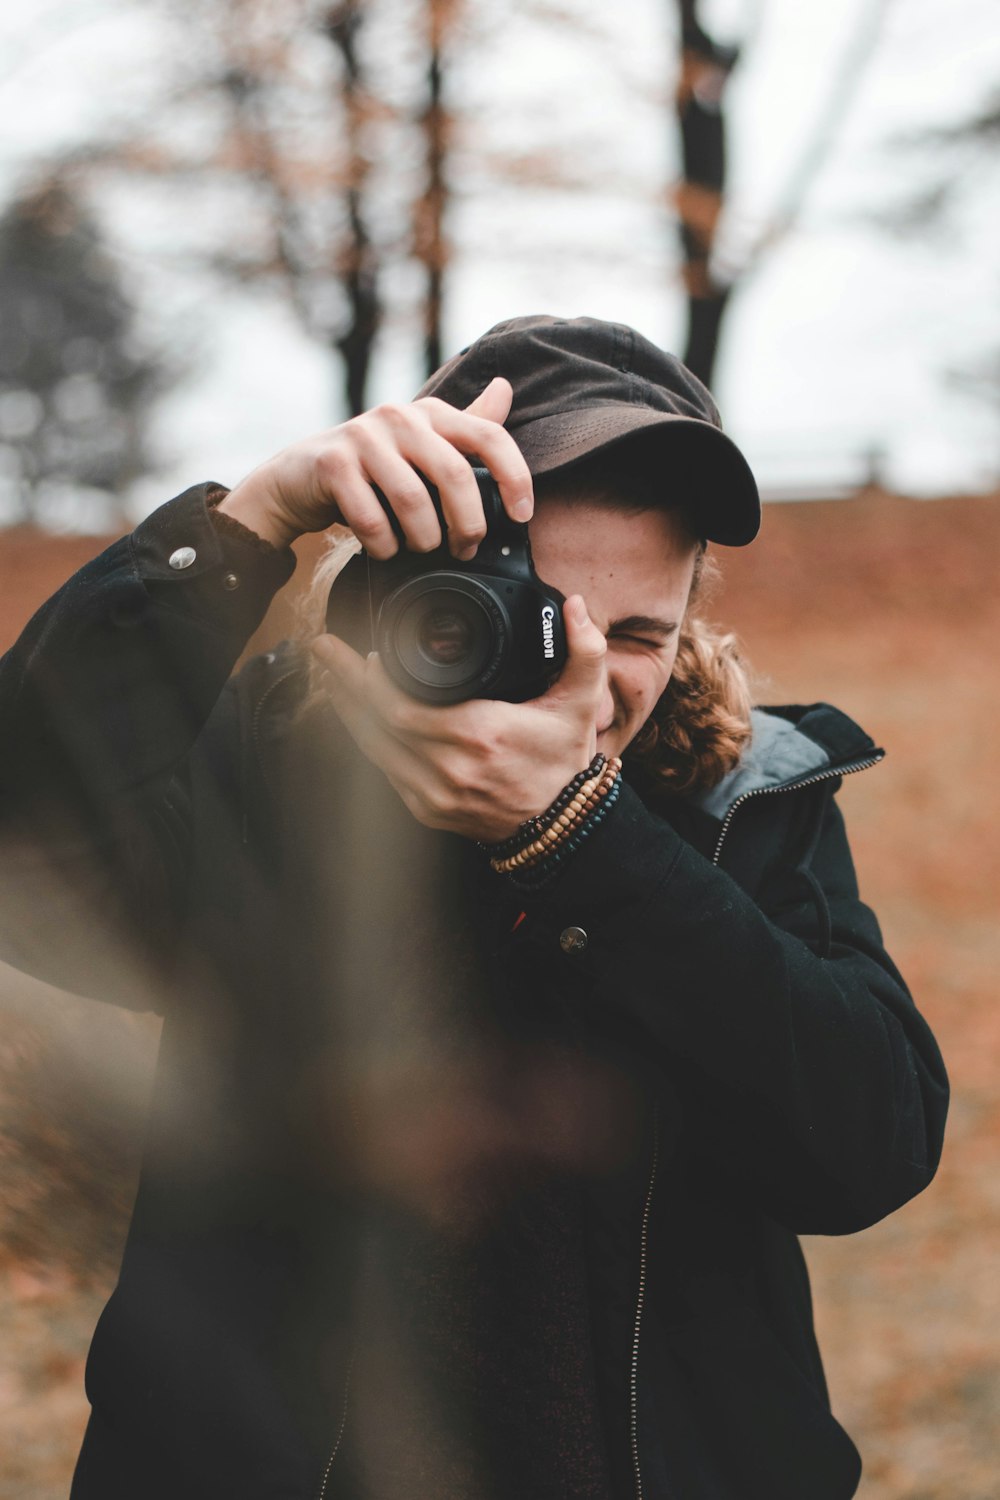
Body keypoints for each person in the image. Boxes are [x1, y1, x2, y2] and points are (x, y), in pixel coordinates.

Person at [0, 315, 947, 1500]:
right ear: (413, 593)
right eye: (540, 619)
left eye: (641, 635)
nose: (590, 683)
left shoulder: (737, 795)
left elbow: (866, 1153)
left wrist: (580, 839)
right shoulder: (264, 760)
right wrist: (253, 520)